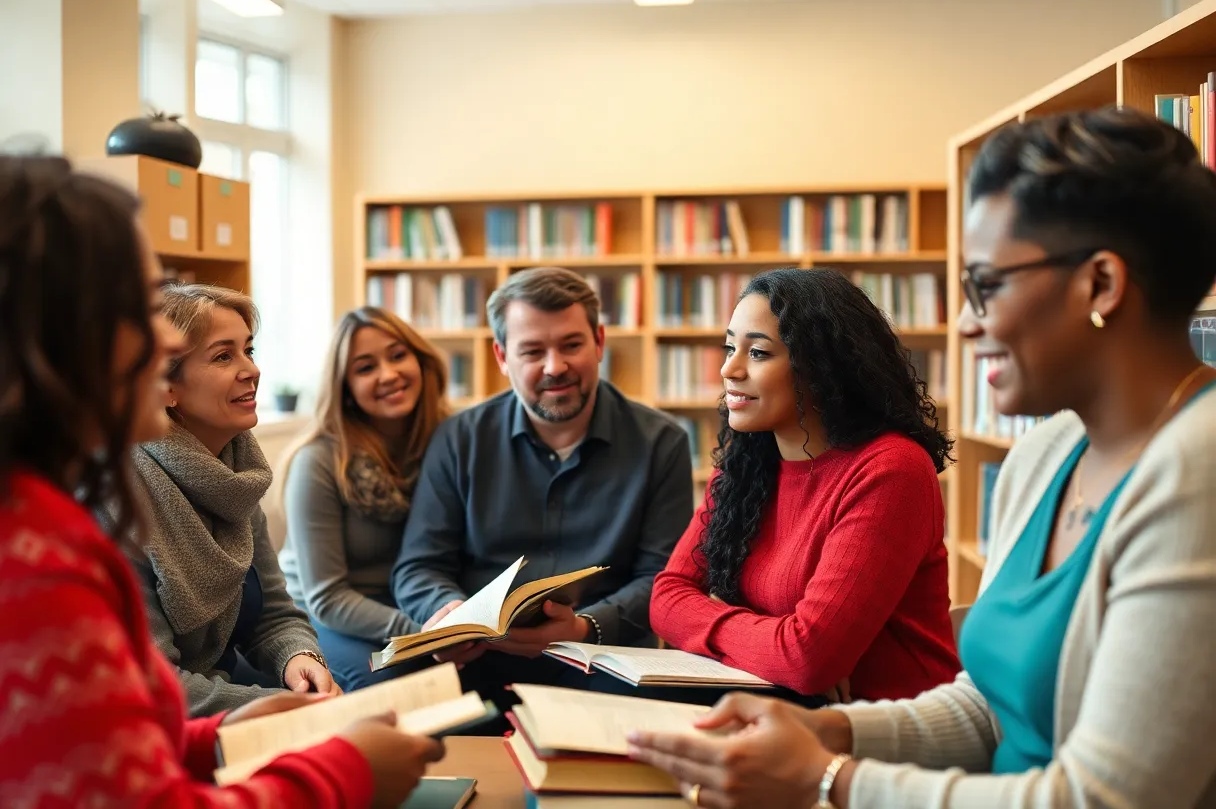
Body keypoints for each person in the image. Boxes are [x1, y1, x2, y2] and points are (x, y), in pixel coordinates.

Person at [627, 107, 1216, 808]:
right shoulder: (1044, 456)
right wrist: (831, 730)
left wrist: (825, 777)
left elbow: (1104, 798)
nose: (966, 322)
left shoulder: (1196, 474)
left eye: (986, 286)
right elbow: (984, 707)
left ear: (1101, 285)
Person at [0, 154, 443, 806]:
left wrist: (222, 733)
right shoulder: (38, 558)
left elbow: (107, 734)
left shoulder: (50, 517)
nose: (161, 340)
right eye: (141, 308)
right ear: (63, 334)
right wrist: (343, 771)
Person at [649, 267, 960, 705]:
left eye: (757, 353)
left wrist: (740, 634)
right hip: (784, 709)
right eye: (729, 347)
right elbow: (665, 598)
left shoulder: (890, 470)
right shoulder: (746, 465)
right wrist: (775, 646)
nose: (728, 369)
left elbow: (808, 660)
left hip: (887, 734)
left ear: (821, 367)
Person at [392, 266, 694, 705]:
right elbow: (419, 565)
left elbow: (664, 578)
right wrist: (448, 614)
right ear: (501, 357)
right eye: (533, 351)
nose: (556, 366)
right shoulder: (459, 439)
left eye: (571, 344)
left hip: (605, 659)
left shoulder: (662, 442)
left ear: (600, 343)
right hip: (478, 661)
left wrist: (584, 627)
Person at [114, 283, 338, 717]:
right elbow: (154, 683)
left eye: (248, 351)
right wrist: (284, 707)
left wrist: (301, 660)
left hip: (230, 694)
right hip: (165, 722)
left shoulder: (235, 472)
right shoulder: (122, 494)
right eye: (223, 356)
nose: (251, 370)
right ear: (167, 388)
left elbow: (276, 615)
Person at [279, 307, 452, 691]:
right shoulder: (318, 461)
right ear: (345, 388)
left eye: (397, 355)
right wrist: (425, 634)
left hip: (415, 606)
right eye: (365, 367)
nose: (388, 375)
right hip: (324, 614)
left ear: (420, 361)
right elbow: (326, 597)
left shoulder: (448, 442)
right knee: (390, 684)